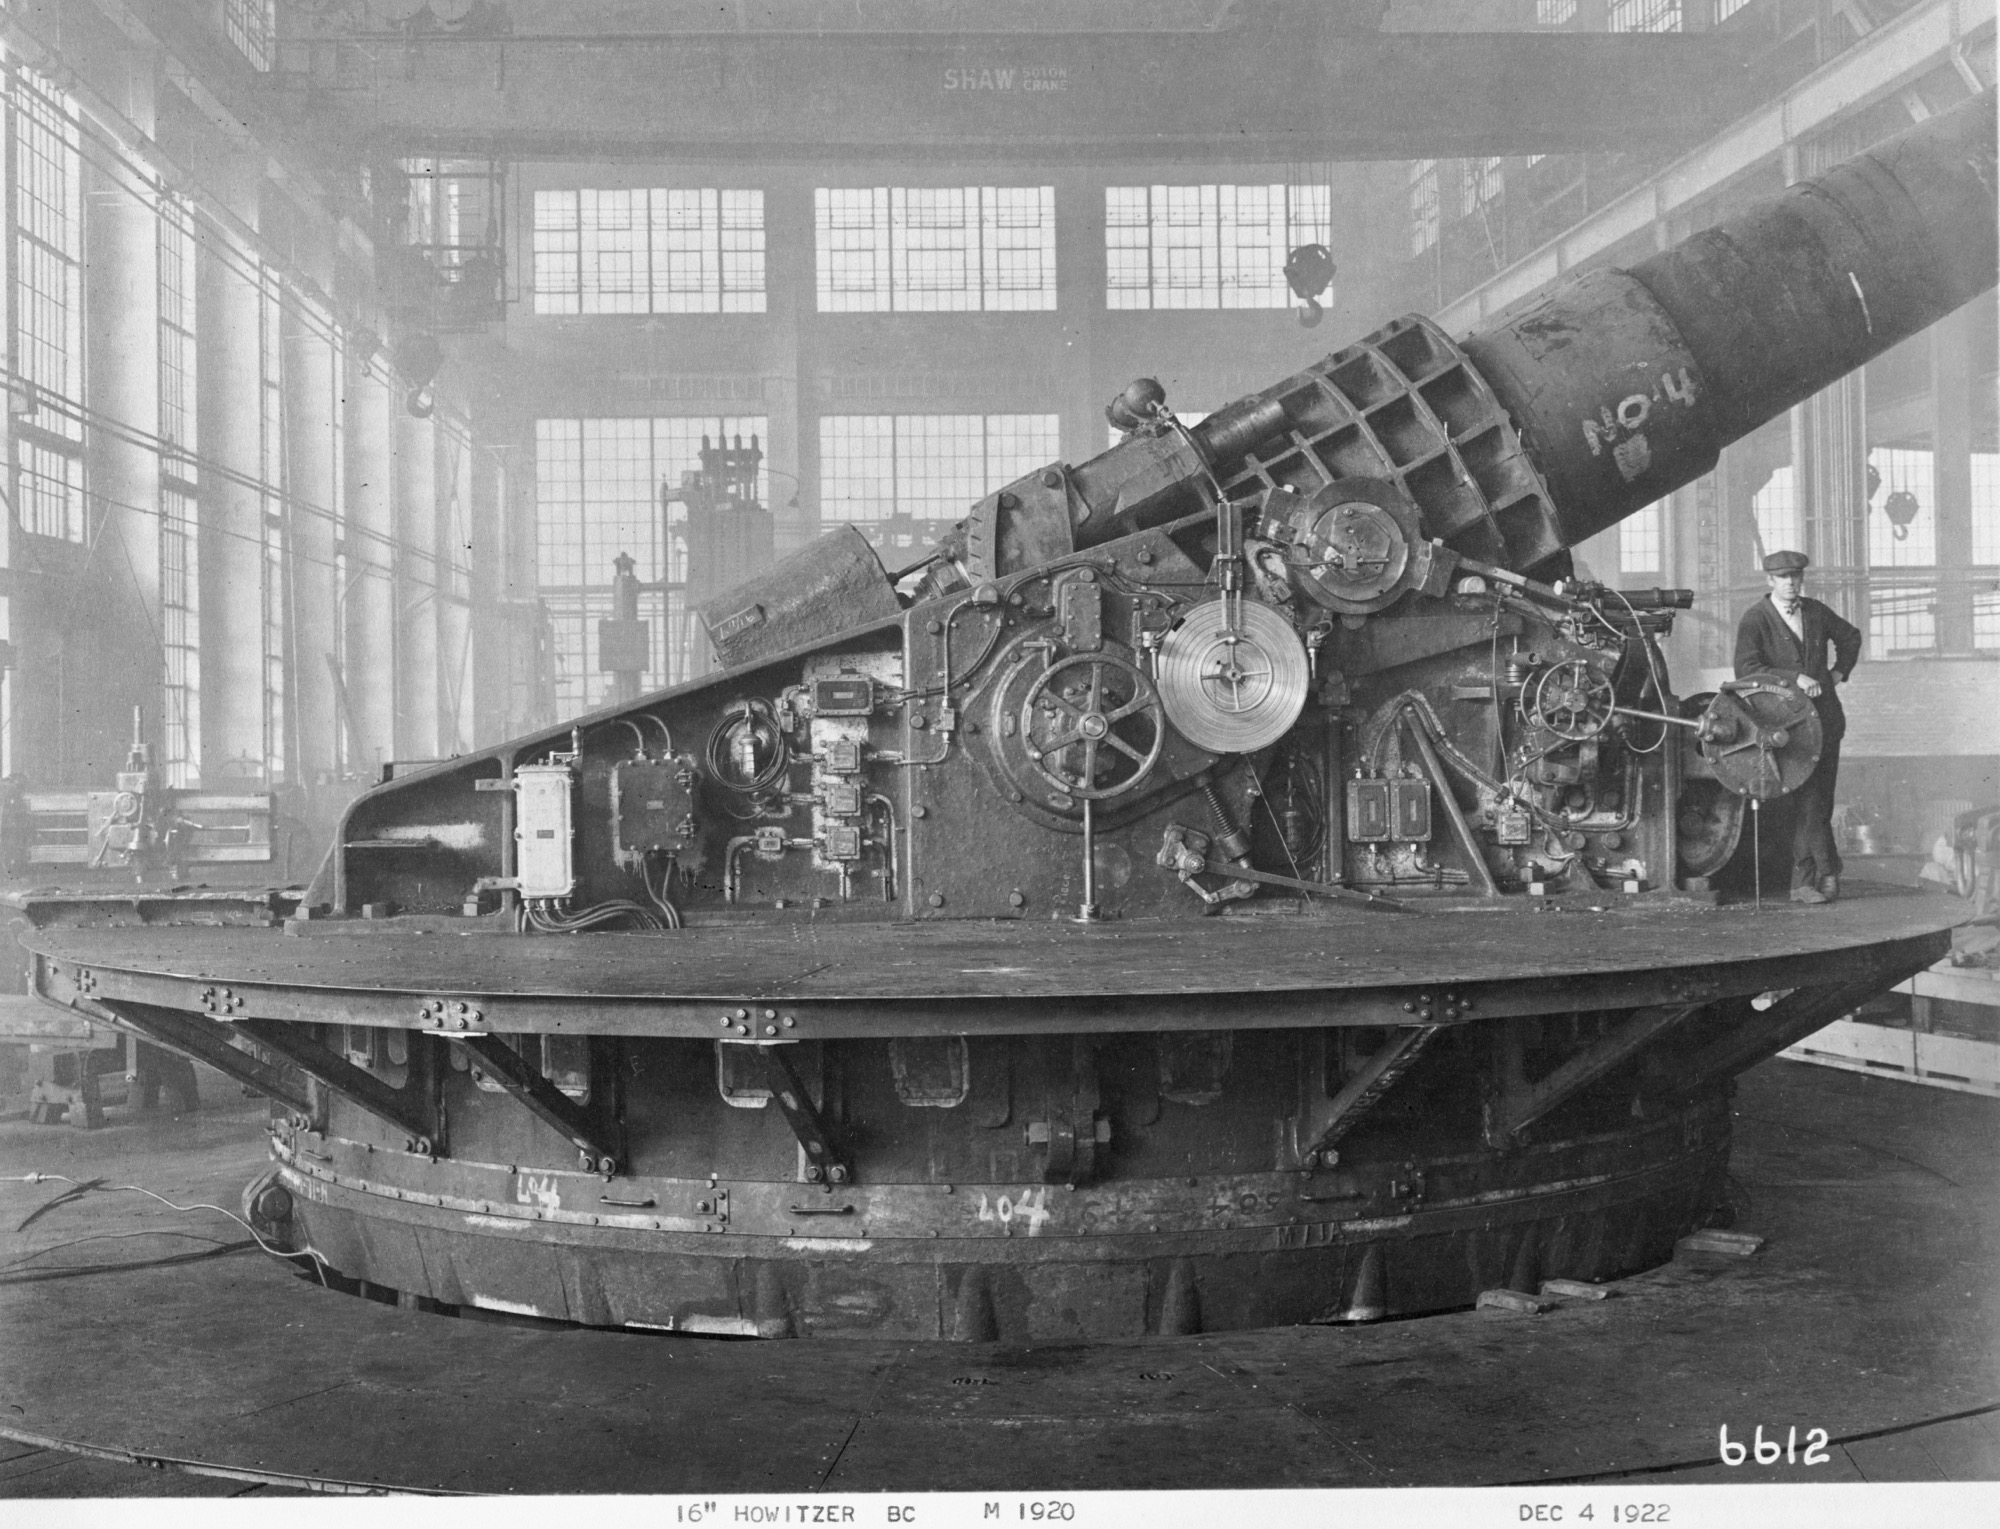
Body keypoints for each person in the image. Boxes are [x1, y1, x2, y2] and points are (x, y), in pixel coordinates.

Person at [1733, 550, 1863, 904]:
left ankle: (1811, 880)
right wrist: (1794, 678)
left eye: (1795, 577)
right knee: (1809, 801)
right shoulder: (1755, 619)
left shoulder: (1816, 611)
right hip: (1787, 728)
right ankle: (1821, 875)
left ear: (1801, 579)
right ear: (1770, 580)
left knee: (1821, 801)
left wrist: (1838, 673)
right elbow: (1746, 670)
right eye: (1783, 577)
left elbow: (1851, 637)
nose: (1790, 583)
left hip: (1827, 722)